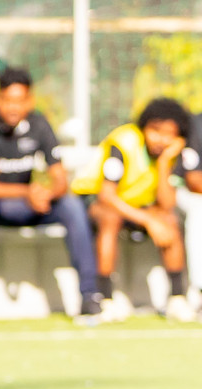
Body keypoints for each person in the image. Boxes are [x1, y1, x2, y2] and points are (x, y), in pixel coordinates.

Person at [0, 68, 102, 322]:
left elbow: (60, 179)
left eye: (20, 101)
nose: (13, 108)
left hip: (21, 206)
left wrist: (46, 193)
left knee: (72, 205)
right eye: (8, 100)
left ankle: (90, 296)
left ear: (30, 101)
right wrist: (26, 191)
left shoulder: (39, 124)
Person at [73, 98, 192, 322]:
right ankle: (105, 299)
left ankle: (178, 298)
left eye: (169, 133)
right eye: (155, 130)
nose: (161, 139)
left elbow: (167, 205)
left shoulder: (172, 154)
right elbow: (106, 196)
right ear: (144, 126)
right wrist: (148, 221)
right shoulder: (124, 141)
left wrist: (165, 163)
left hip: (136, 206)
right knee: (110, 218)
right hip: (95, 201)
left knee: (169, 219)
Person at [174, 109, 202, 315]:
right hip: (186, 191)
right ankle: (200, 290)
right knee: (200, 208)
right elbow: (193, 180)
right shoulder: (196, 124)